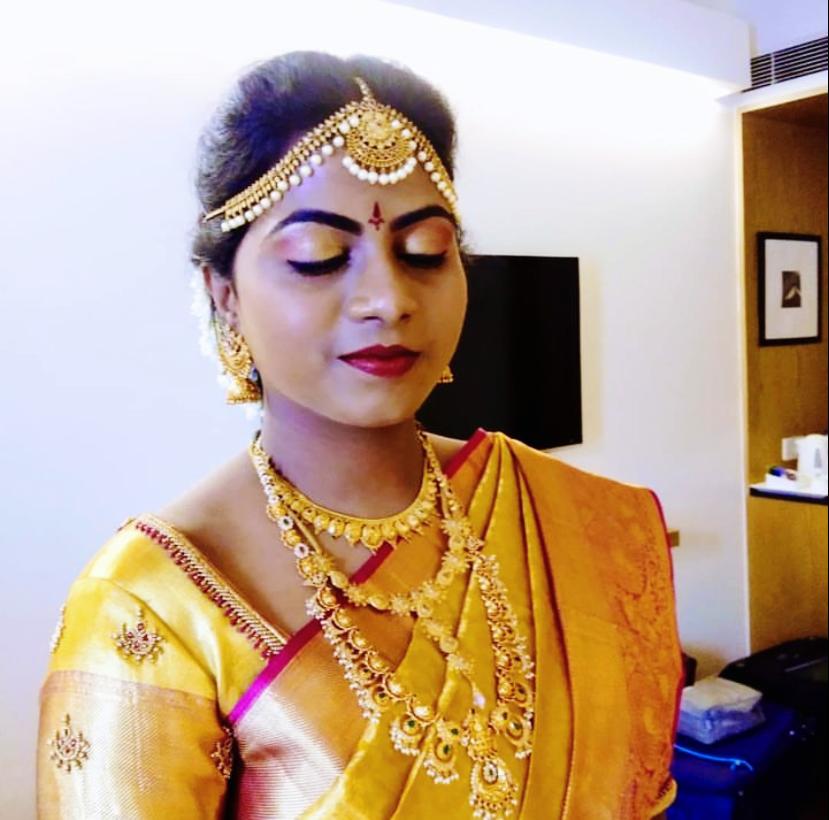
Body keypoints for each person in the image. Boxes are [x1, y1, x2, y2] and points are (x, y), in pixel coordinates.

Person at [37, 52, 683, 819]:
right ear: (224, 294)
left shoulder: (586, 522)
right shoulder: (152, 600)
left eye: (424, 252)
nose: (387, 298)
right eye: (319, 258)